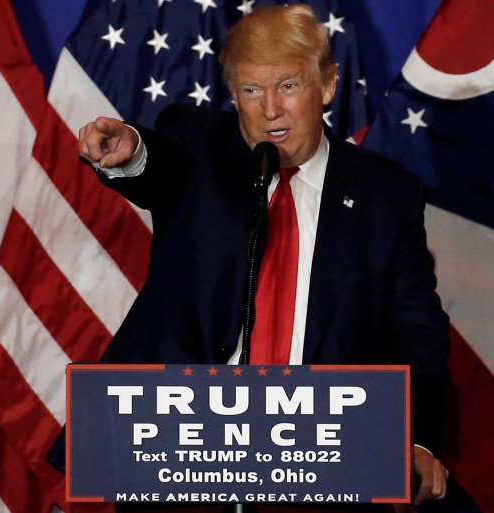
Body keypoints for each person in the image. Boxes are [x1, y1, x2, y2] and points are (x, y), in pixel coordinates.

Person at [75, 3, 450, 508]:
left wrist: (419, 438)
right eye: (252, 90)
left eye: (289, 86)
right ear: (234, 95)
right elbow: (159, 164)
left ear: (328, 86)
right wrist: (133, 152)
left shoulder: (386, 194)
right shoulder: (200, 146)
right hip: (185, 454)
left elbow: (416, 328)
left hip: (321, 461)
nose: (270, 108)